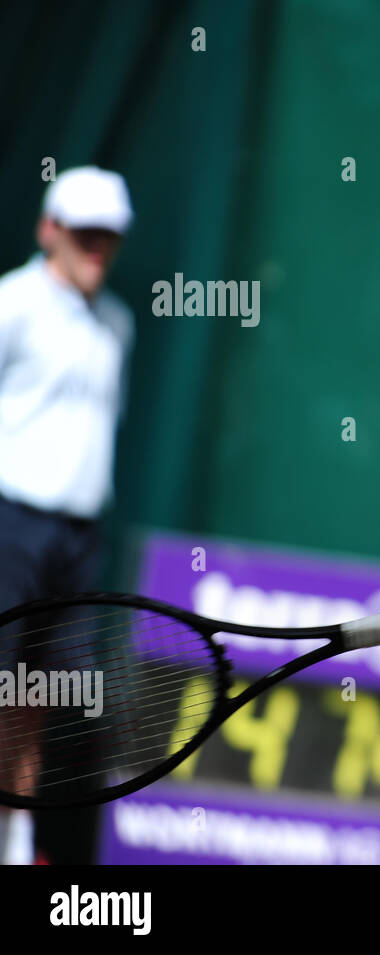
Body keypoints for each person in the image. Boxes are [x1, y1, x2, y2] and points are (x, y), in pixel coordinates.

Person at [0, 166, 134, 865]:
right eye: (84, 233)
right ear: (48, 229)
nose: (96, 249)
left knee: (36, 694)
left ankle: (17, 842)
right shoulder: (12, 304)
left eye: (108, 237)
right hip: (10, 525)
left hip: (79, 539)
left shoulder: (117, 322)